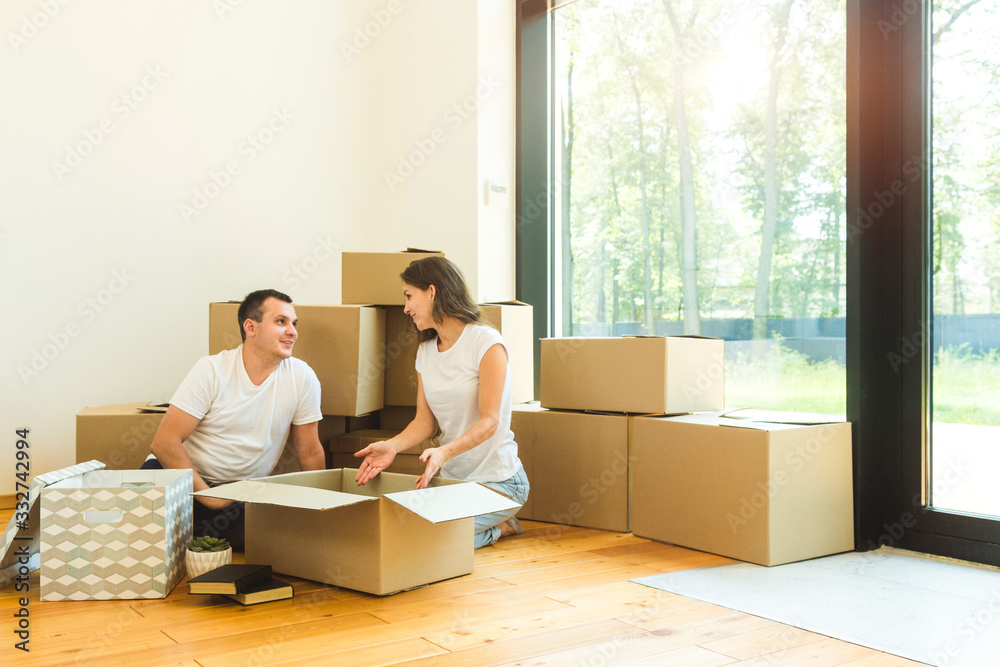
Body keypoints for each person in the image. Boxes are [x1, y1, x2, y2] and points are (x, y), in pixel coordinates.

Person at [354, 257, 529, 548]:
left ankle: (501, 528)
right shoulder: (425, 352)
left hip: (499, 483)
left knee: (430, 540)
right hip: (450, 483)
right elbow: (425, 421)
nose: (406, 307)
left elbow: (490, 421)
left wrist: (443, 453)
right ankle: (488, 528)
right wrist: (392, 446)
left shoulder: (486, 343)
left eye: (409, 296)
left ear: (432, 292)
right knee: (402, 531)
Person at [142, 289, 325, 549]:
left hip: (237, 496)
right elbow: (164, 444)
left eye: (294, 324)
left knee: (282, 538)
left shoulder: (302, 377)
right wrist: (210, 497)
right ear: (250, 327)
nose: (292, 331)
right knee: (147, 534)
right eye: (281, 322)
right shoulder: (212, 370)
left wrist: (324, 507)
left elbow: (309, 450)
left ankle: (193, 539)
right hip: (181, 480)